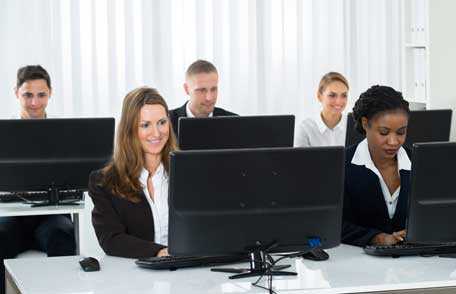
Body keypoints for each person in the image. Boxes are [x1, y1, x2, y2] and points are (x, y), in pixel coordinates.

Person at [0, 65, 75, 294]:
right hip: (13, 216)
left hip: (51, 216)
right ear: (16, 93)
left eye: (41, 95)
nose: (34, 103)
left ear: (50, 93)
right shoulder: (4, 133)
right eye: (27, 95)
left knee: (62, 236)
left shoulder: (65, 134)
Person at [88, 87, 177, 258]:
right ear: (130, 130)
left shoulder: (188, 173)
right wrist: (159, 252)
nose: (157, 133)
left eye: (162, 122)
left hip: (189, 272)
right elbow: (111, 239)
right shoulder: (104, 182)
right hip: (135, 276)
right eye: (145, 125)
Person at [342, 85, 411, 247]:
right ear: (365, 124)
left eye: (401, 132)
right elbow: (333, 224)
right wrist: (377, 238)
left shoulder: (420, 162)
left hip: (415, 266)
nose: (394, 142)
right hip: (356, 264)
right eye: (384, 132)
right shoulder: (342, 164)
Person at [169, 59, 237, 136]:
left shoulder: (235, 123)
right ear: (186, 89)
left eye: (213, 89)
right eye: (202, 90)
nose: (209, 98)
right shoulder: (167, 122)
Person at [295, 72, 349, 147]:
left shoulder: (355, 127)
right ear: (319, 96)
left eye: (344, 95)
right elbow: (299, 158)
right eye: (332, 95)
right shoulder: (306, 128)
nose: (338, 101)